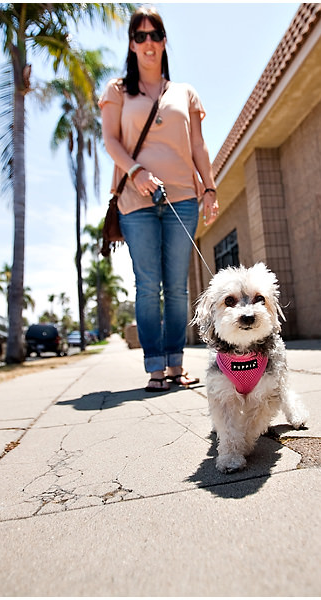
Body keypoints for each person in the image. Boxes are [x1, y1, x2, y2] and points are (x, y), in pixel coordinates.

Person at [100, 6, 220, 392]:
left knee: (179, 286)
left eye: (155, 35)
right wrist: (136, 172)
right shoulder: (118, 91)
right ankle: (155, 367)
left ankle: (176, 366)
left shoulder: (185, 93)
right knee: (148, 284)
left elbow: (198, 145)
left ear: (164, 42)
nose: (148, 43)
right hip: (135, 202)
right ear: (131, 45)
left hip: (182, 197)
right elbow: (111, 141)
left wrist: (210, 188)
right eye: (140, 36)